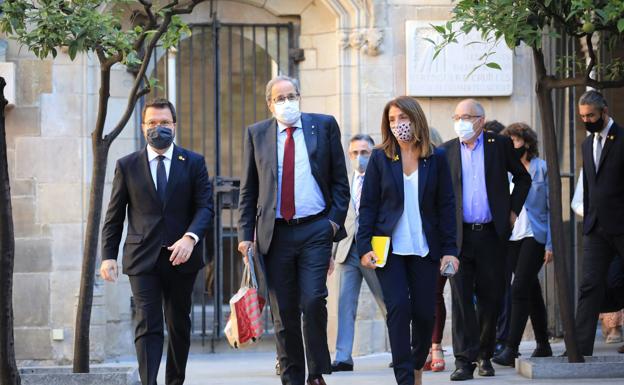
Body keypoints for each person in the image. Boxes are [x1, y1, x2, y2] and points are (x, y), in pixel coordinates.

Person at [237, 75, 350, 385]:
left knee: (313, 300)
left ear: (300, 97)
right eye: (280, 98)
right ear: (270, 104)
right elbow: (248, 191)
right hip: (276, 234)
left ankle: (315, 372)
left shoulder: (324, 126)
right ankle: (292, 376)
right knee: (283, 311)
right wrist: (245, 236)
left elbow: (341, 183)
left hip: (316, 228)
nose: (287, 102)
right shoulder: (257, 134)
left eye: (292, 95)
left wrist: (333, 224)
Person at [100, 98, 214, 385]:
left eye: (164, 123)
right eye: (152, 123)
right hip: (142, 259)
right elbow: (114, 215)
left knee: (178, 325)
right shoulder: (127, 166)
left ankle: (175, 381)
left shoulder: (194, 162)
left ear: (174, 126)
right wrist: (108, 255)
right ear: (143, 127)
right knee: (147, 324)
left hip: (182, 257)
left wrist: (190, 238)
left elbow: (205, 207)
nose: (158, 128)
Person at [357, 96, 459, 385]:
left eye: (402, 118)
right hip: (390, 248)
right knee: (399, 308)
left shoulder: (436, 158)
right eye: (392, 120)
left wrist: (451, 250)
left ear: (415, 119)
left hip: (425, 249)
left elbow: (446, 207)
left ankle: (416, 364)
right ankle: (405, 378)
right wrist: (364, 247)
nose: (397, 124)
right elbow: (368, 206)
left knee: (426, 313)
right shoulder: (381, 157)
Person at [441, 99, 530, 381]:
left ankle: (484, 355)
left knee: (490, 298)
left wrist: (513, 210)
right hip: (459, 239)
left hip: (492, 234)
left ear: (481, 120)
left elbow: (523, 178)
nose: (461, 122)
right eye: (457, 116)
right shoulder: (446, 150)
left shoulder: (498, 144)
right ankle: (463, 360)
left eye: (467, 116)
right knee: (461, 298)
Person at [492, 123, 554, 367]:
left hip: (535, 236)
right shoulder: (506, 171)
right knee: (531, 289)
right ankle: (543, 343)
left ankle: (511, 348)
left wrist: (551, 244)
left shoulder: (541, 169)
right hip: (511, 237)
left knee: (518, 288)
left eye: (516, 141)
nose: (512, 146)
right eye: (509, 142)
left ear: (527, 143)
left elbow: (551, 209)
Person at [330, 134, 387, 372]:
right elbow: (337, 216)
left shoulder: (383, 179)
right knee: (345, 304)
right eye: (354, 153)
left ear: (373, 154)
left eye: (364, 153)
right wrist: (330, 252)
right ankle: (343, 356)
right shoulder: (345, 181)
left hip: (374, 250)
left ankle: (403, 350)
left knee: (387, 302)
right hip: (346, 249)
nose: (359, 158)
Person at [575, 90, 624, 356]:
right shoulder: (587, 144)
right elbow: (588, 188)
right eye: (583, 116)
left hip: (621, 223)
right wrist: (588, 222)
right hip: (596, 227)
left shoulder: (622, 138)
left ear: (604, 111)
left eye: (591, 115)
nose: (587, 120)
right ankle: (580, 347)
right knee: (589, 284)